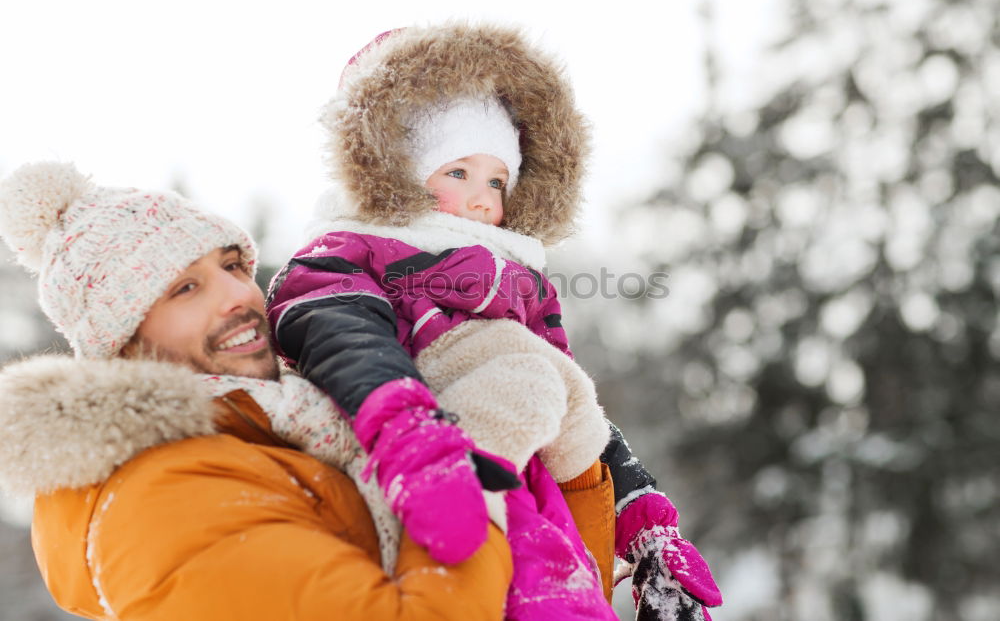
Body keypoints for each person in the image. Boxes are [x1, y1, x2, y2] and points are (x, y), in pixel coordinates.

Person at [0, 161, 619, 620]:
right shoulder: (159, 501)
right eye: (183, 289)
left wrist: (573, 476)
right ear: (122, 342)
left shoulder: (298, 423)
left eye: (233, 265)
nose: (239, 296)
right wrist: (479, 465)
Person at [265, 23, 722, 620]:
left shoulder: (519, 280)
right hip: (423, 469)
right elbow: (343, 339)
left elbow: (573, 411)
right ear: (393, 172)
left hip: (539, 490)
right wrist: (419, 446)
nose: (482, 199)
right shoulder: (354, 250)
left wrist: (645, 523)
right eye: (457, 173)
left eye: (497, 181)